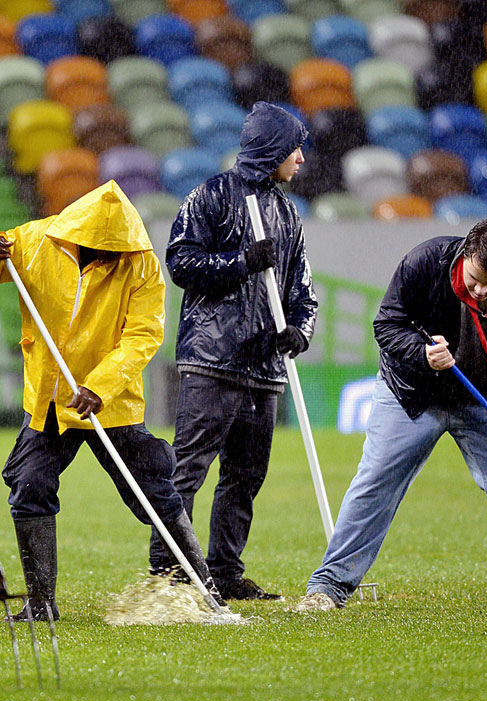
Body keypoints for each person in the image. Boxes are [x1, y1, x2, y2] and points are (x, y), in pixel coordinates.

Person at [0, 180, 224, 620]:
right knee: (29, 485)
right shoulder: (36, 239)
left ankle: (204, 589)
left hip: (113, 402)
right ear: (77, 233)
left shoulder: (141, 264)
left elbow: (143, 335)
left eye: (116, 250)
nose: (109, 256)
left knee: (153, 492)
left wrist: (99, 387)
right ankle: (41, 604)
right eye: (100, 248)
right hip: (50, 398)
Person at [297, 218, 487, 612]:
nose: (479, 290)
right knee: (375, 479)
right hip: (412, 391)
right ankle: (328, 585)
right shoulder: (425, 262)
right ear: (466, 254)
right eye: (475, 278)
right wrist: (422, 354)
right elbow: (387, 325)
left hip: (485, 396)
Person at [148, 101, 319, 601]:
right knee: (189, 469)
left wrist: (299, 333)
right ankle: (169, 571)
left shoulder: (289, 216)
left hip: (265, 368)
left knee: (246, 475)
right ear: (273, 150)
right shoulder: (211, 196)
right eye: (295, 149)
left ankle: (224, 570)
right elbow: (180, 262)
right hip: (211, 360)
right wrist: (241, 262)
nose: (302, 159)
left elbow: (303, 294)